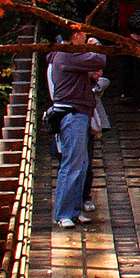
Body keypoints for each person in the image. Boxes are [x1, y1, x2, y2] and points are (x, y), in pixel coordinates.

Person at [48, 31, 108, 229]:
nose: (85, 36)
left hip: (79, 113)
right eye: (82, 33)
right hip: (72, 114)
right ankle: (62, 213)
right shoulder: (67, 55)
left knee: (81, 164)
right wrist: (95, 44)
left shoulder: (67, 56)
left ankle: (74, 210)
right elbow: (99, 59)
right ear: (74, 36)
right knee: (71, 164)